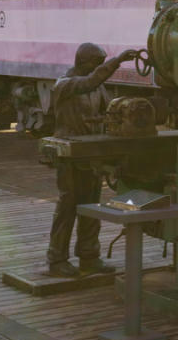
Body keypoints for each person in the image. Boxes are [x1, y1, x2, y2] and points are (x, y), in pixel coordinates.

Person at [46, 43, 137, 277]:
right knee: (68, 207)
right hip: (69, 154)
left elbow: (108, 113)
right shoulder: (65, 85)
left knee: (91, 206)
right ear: (84, 63)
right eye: (97, 64)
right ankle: (57, 260)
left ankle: (89, 256)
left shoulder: (98, 88)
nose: (99, 69)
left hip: (91, 154)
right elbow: (90, 82)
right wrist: (117, 61)